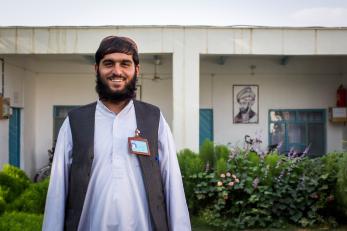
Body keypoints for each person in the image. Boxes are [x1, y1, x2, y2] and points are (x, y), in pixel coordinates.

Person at [43, 36, 191, 231]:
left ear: (136, 70)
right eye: (109, 63)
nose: (117, 71)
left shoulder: (154, 119)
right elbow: (57, 190)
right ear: (96, 68)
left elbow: (172, 182)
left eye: (125, 64)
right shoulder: (75, 121)